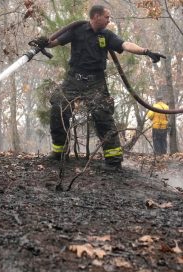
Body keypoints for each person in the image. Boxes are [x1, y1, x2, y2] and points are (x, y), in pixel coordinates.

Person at [32, 5, 166, 171]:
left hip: (96, 82)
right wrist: (44, 41)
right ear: (96, 16)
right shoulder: (77, 29)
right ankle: (59, 152)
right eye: (106, 17)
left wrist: (146, 51)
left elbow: (125, 44)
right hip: (73, 79)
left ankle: (114, 160)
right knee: (58, 106)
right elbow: (54, 42)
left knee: (103, 114)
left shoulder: (107, 35)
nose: (109, 20)